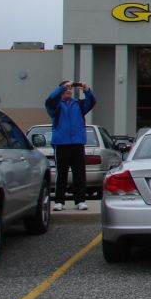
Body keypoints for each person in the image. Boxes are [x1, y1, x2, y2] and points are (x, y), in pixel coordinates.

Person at [45, 80, 96, 211]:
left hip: (77, 142)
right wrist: (61, 88)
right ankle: (59, 201)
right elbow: (49, 102)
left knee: (79, 173)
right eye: (65, 88)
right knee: (61, 173)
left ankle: (80, 200)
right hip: (61, 143)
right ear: (60, 90)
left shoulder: (78, 104)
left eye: (69, 88)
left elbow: (91, 102)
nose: (68, 90)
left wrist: (86, 90)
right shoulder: (56, 106)